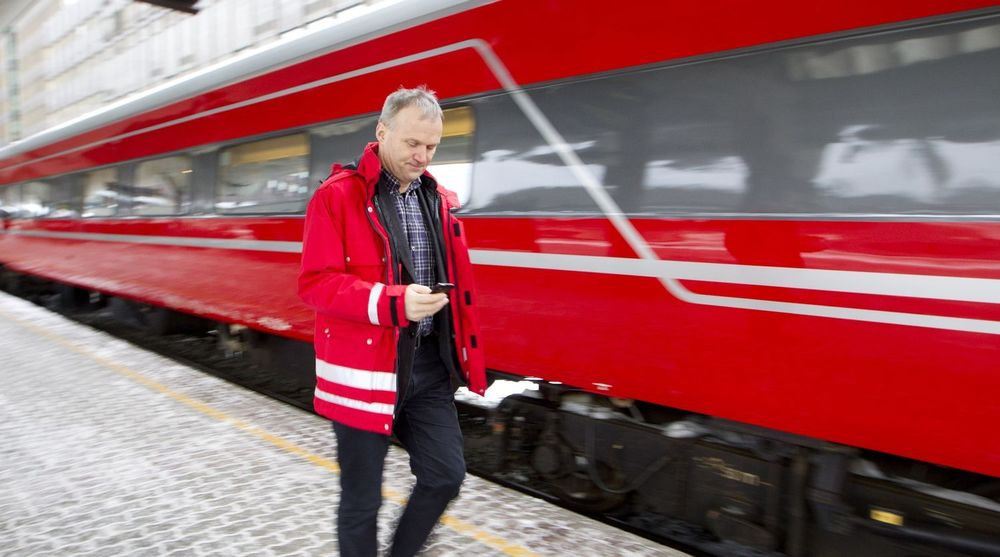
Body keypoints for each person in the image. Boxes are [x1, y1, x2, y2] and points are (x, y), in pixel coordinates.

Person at [298, 86, 487, 557]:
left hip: (426, 367)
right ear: (382, 132)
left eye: (432, 147)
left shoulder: (438, 199)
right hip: (364, 371)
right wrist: (391, 302)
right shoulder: (336, 197)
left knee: (445, 476)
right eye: (412, 144)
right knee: (362, 501)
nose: (423, 156)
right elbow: (316, 283)